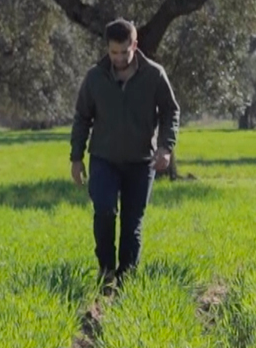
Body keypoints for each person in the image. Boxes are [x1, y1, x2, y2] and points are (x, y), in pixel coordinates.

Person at [70, 19, 180, 290]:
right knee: (104, 210)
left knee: (132, 223)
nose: (119, 58)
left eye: (124, 52)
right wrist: (76, 157)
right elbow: (82, 117)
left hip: (142, 162)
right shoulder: (95, 77)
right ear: (107, 49)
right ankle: (106, 270)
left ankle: (127, 277)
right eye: (113, 52)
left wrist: (166, 147)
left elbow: (170, 112)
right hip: (103, 159)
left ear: (135, 45)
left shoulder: (154, 75)